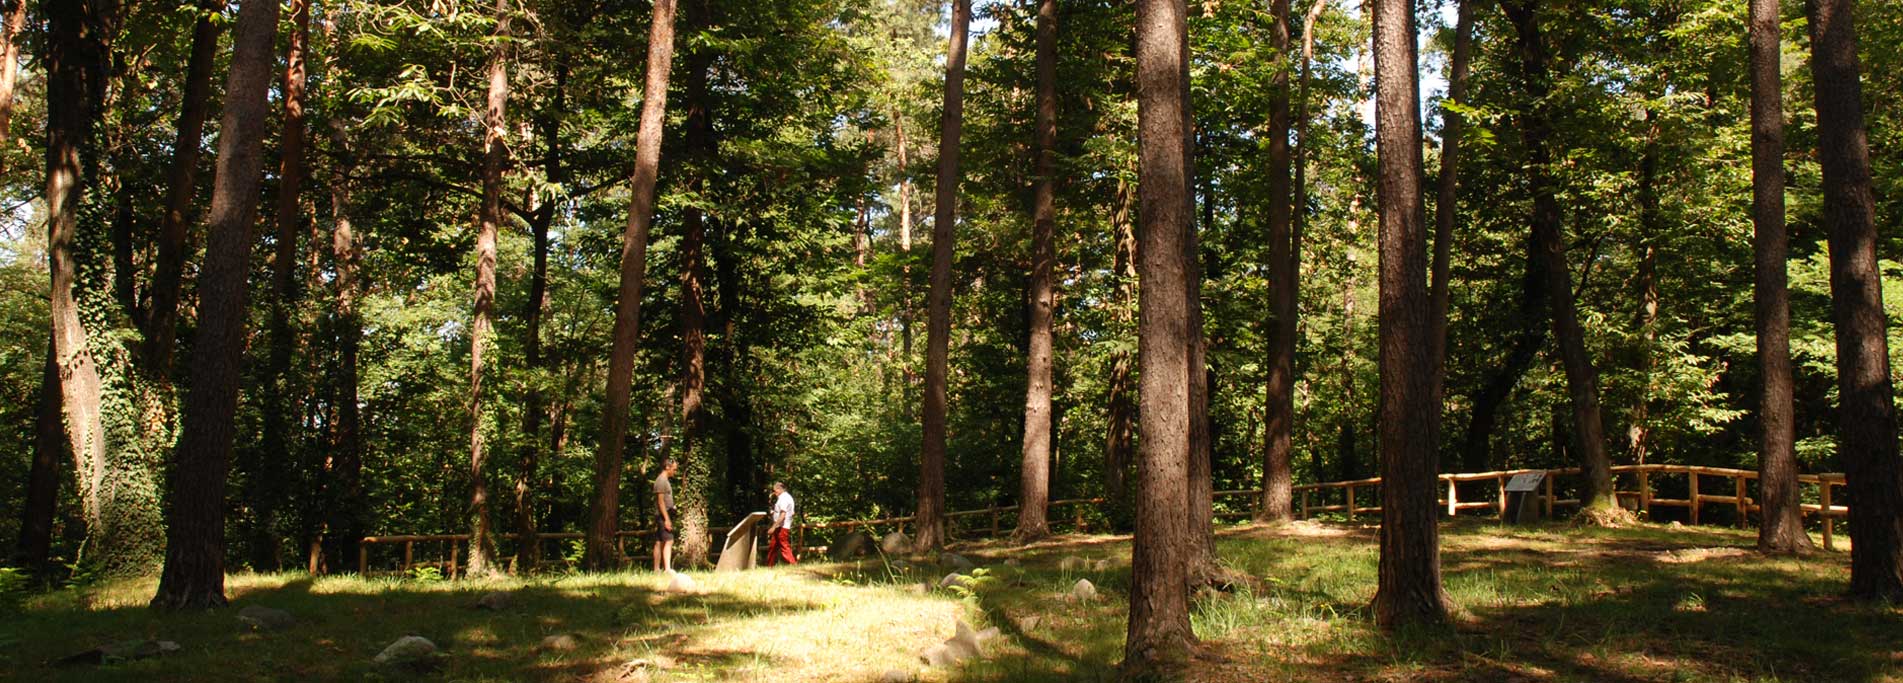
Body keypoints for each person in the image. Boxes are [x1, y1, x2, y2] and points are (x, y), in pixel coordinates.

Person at [653, 458, 679, 573]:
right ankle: (667, 569)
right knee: (669, 540)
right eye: (674, 469)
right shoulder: (661, 481)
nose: (675, 471)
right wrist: (667, 519)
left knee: (659, 541)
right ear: (667, 467)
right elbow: (660, 501)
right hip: (663, 515)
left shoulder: (664, 480)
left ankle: (656, 569)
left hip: (665, 513)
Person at [766, 481, 798, 566]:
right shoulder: (788, 497)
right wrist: (774, 513)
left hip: (782, 527)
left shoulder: (784, 498)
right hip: (780, 526)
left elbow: (783, 515)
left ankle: (793, 564)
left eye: (775, 490)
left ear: (779, 489)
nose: (774, 492)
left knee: (784, 546)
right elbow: (792, 512)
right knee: (773, 547)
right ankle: (769, 566)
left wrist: (773, 527)